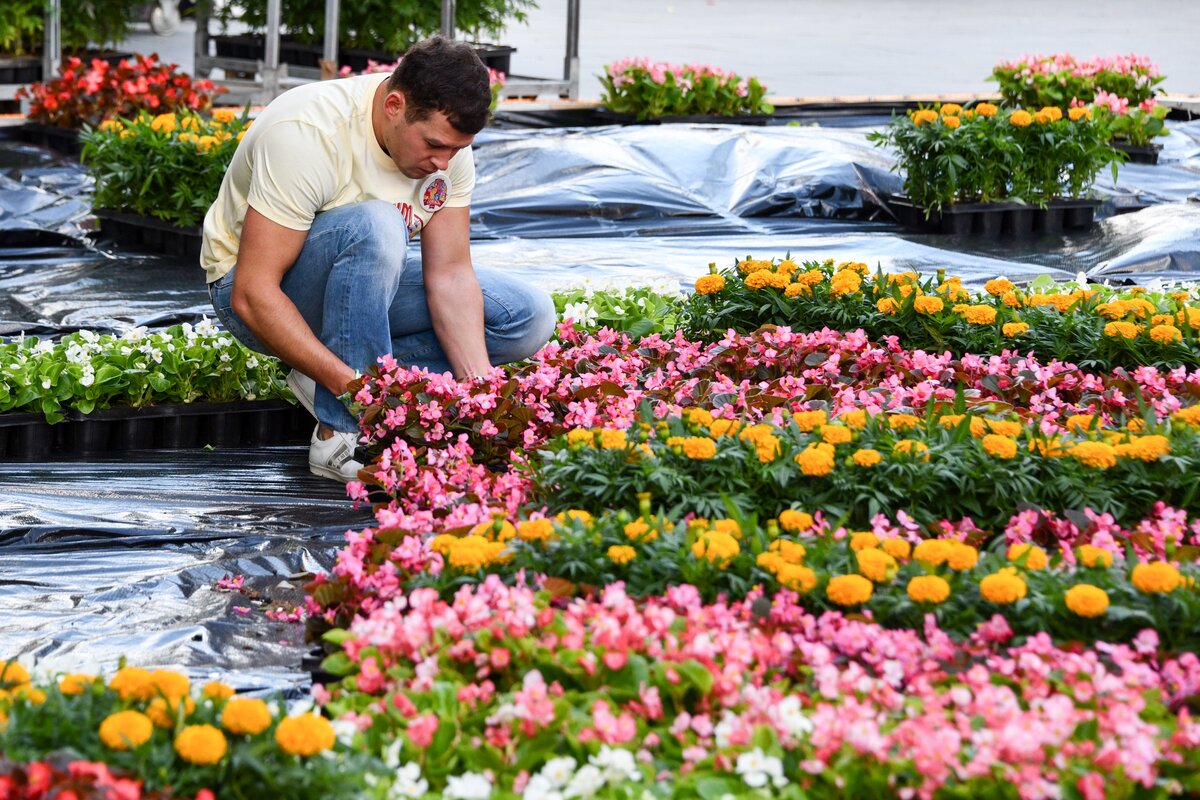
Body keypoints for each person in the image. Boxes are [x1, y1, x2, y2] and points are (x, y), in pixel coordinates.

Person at [201, 37, 555, 482]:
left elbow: (449, 275)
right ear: (393, 105)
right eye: (435, 145)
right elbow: (253, 294)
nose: (443, 163)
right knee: (377, 225)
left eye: (456, 150)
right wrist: (358, 390)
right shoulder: (307, 133)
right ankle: (341, 433)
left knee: (526, 318)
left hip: (363, 283)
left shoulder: (446, 153)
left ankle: (323, 376)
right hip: (253, 291)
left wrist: (480, 400)